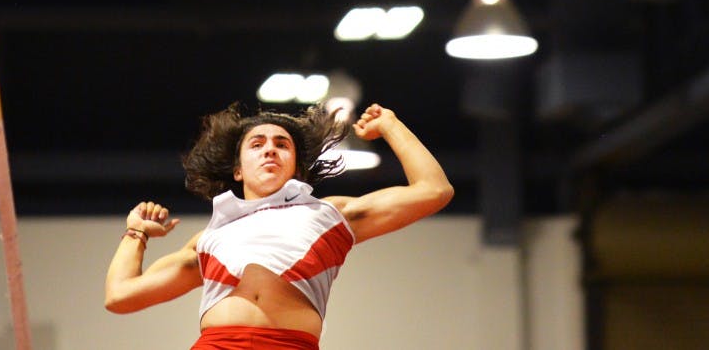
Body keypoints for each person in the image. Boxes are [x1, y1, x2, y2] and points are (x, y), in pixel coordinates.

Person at [104, 102, 453, 350]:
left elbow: (434, 191)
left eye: (281, 145)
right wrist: (136, 234)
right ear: (237, 170)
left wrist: (390, 125)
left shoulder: (331, 215)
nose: (270, 150)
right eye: (257, 145)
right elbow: (120, 297)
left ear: (296, 168)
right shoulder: (209, 238)